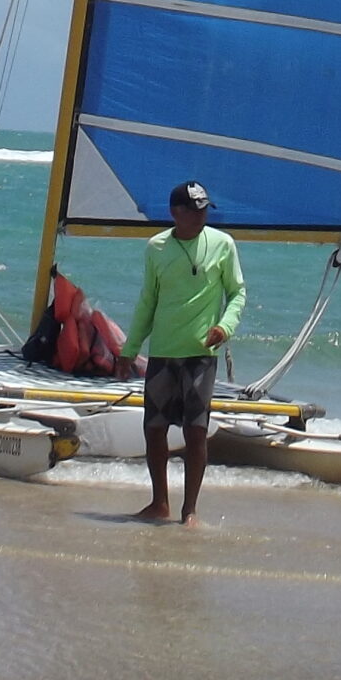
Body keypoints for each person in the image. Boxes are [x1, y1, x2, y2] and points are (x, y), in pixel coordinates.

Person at [120, 179, 245, 526]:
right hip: (163, 352)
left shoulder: (223, 245)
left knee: (195, 430)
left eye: (206, 209)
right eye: (196, 210)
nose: (203, 215)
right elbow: (148, 301)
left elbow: (237, 293)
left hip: (200, 355)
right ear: (177, 213)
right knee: (155, 428)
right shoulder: (156, 248)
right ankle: (159, 502)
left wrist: (225, 326)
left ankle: (189, 510)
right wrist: (129, 349)